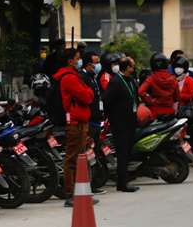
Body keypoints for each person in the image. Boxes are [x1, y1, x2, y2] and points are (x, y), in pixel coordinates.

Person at [53, 48, 95, 207]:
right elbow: (86, 96)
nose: (79, 61)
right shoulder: (69, 78)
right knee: (72, 159)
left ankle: (80, 193)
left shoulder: (73, 76)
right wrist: (89, 92)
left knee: (79, 158)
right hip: (75, 123)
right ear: (70, 61)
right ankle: (70, 194)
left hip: (80, 122)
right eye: (77, 58)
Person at [104, 56, 140, 192]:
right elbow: (107, 101)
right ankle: (122, 183)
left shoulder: (130, 80)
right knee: (122, 153)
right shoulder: (116, 82)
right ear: (127, 67)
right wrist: (113, 117)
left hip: (131, 121)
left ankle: (125, 180)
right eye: (132, 66)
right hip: (120, 123)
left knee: (128, 152)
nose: (134, 68)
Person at [138, 52, 179, 118]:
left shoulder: (151, 78)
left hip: (154, 112)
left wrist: (151, 101)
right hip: (170, 112)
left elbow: (140, 92)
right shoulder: (173, 78)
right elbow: (177, 97)